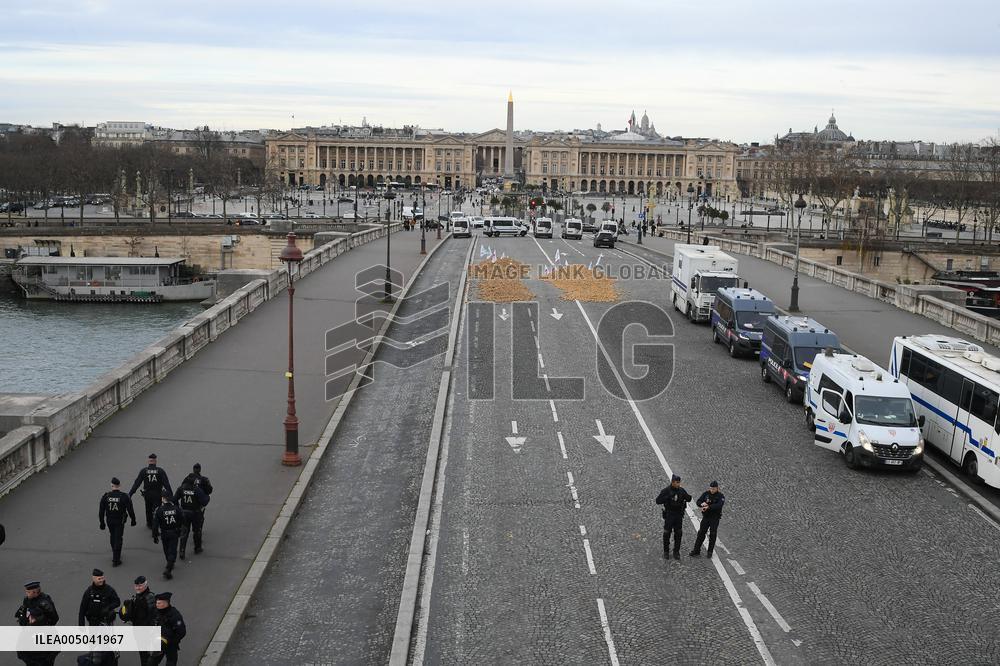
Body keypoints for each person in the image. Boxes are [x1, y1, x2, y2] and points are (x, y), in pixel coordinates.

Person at [15, 581, 60, 666]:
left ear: (35, 592)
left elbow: (54, 618)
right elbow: (23, 615)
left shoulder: (44, 602)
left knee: (46, 660)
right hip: (29, 637)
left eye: (28, 592)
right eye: (27, 592)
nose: (27, 594)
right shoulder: (27, 600)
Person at [99, 477, 137, 567]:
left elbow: (101, 511)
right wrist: (133, 519)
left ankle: (114, 551)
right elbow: (130, 509)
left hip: (109, 520)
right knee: (118, 538)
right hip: (120, 520)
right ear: (119, 485)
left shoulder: (106, 496)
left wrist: (102, 522)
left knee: (112, 535)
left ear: (111, 485)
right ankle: (116, 558)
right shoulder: (124, 496)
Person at [128, 454, 172, 529]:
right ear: (155, 461)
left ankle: (149, 523)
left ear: (148, 461)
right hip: (157, 493)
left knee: (148, 508)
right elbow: (166, 484)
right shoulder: (160, 471)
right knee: (156, 509)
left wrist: (130, 494)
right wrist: (171, 495)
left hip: (147, 494)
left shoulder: (144, 471)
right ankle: (155, 525)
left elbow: (137, 483)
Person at [120, 576, 156, 666]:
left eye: (140, 586)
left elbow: (153, 616)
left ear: (145, 585)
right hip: (139, 630)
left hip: (145, 631)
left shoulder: (149, 598)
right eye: (136, 586)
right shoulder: (138, 596)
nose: (137, 588)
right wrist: (129, 607)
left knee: (145, 654)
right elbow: (136, 613)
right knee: (144, 653)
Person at [655, 474, 691, 560]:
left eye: (679, 482)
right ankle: (666, 551)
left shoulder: (681, 490)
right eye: (676, 482)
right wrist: (667, 497)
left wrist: (686, 496)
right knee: (667, 533)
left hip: (678, 515)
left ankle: (676, 551)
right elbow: (658, 501)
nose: (678, 484)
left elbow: (689, 498)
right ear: (672, 482)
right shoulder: (666, 490)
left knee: (678, 533)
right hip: (669, 515)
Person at [173, 476, 209, 559]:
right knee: (197, 530)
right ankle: (197, 548)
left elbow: (174, 499)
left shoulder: (181, 488)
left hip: (184, 512)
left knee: (184, 532)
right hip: (195, 513)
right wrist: (207, 497)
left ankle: (182, 550)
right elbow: (204, 501)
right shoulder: (196, 490)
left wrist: (178, 508)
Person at [152, 491, 185, 580]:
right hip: (174, 532)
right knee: (172, 550)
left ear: (163, 499)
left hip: (164, 533)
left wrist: (155, 536)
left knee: (166, 549)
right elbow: (182, 520)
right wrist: (180, 529)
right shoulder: (176, 509)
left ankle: (169, 564)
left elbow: (155, 525)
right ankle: (170, 565)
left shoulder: (159, 510)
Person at [690, 480, 726, 558]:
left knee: (713, 534)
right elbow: (698, 501)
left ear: (717, 488)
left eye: (713, 489)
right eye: (711, 488)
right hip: (706, 517)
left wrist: (708, 507)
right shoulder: (706, 494)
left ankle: (710, 551)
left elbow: (719, 505)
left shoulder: (720, 496)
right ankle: (696, 550)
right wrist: (701, 504)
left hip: (714, 518)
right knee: (701, 533)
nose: (712, 490)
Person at [149, 593, 186, 666]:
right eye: (156, 602)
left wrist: (171, 642)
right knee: (151, 663)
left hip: (170, 645)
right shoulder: (156, 612)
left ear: (166, 603)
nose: (157, 604)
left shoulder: (174, 615)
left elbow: (182, 631)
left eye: (159, 603)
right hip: (159, 643)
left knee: (171, 662)